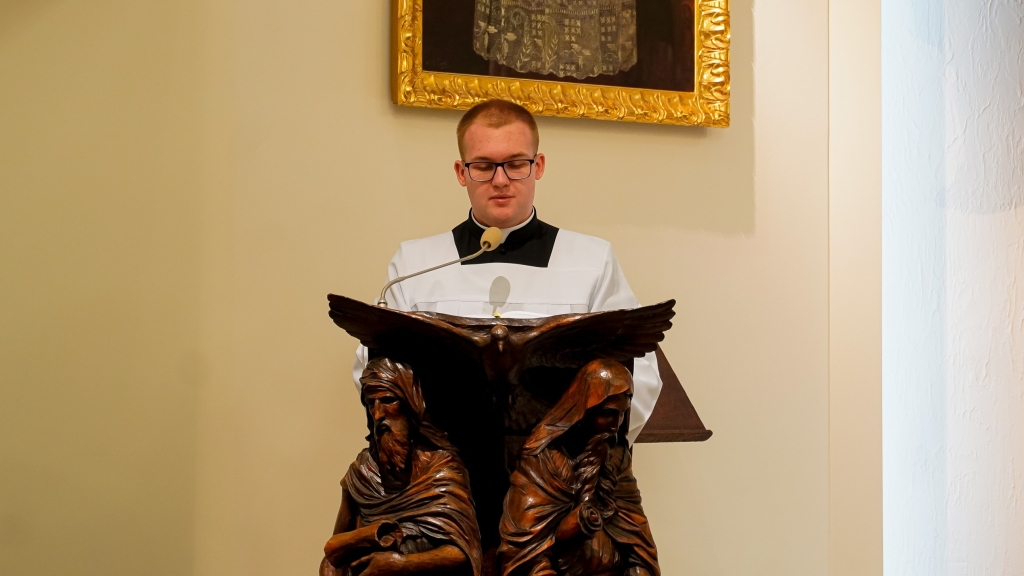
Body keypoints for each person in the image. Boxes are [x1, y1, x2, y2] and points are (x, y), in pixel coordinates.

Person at [353, 99, 663, 446]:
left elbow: (635, 372)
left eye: (516, 164)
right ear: (461, 172)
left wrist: (572, 449)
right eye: (484, 166)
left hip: (558, 462)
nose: (500, 180)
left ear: (538, 166)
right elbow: (377, 370)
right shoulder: (415, 264)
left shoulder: (592, 260)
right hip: (444, 460)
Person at [321, 358, 483, 576]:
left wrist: (401, 564)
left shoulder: (441, 470)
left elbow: (464, 552)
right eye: (371, 404)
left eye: (388, 400)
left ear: (410, 405)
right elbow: (334, 553)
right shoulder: (362, 474)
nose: (378, 414)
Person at [498, 359, 659, 576]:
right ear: (583, 411)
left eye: (622, 413)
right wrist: (568, 528)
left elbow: (638, 539)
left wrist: (640, 571)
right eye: (607, 413)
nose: (616, 425)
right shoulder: (544, 462)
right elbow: (527, 553)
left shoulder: (616, 459)